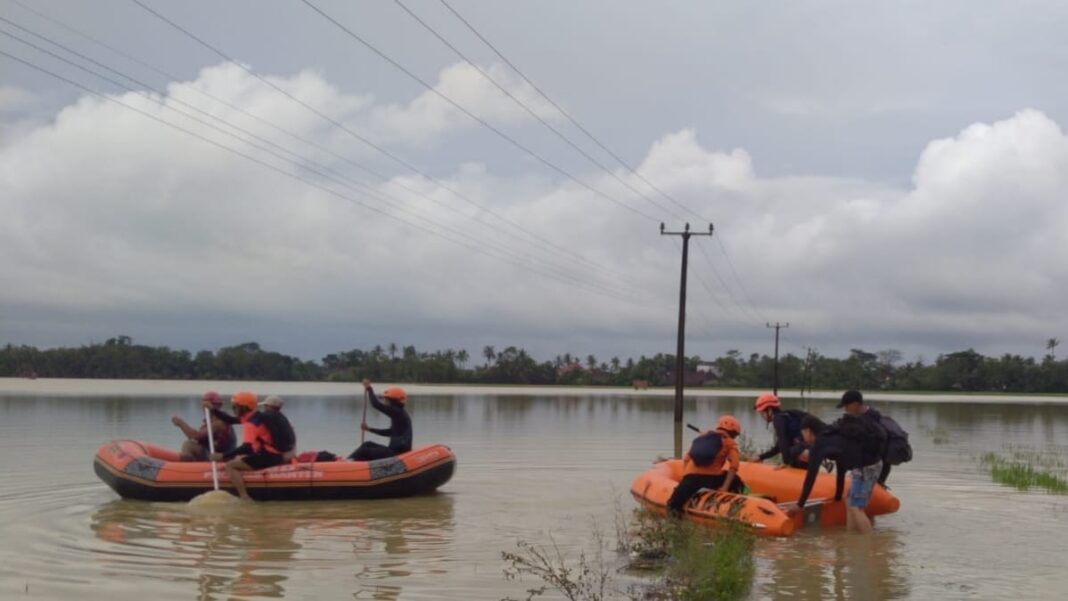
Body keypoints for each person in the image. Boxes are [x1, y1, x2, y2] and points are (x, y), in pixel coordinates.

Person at [794, 415, 872, 532]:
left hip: (865, 466)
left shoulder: (819, 445)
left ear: (808, 431)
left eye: (803, 434)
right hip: (869, 463)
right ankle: (852, 540)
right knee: (850, 502)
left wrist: (800, 504)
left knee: (855, 507)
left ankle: (868, 543)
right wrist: (838, 496)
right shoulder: (832, 435)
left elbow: (811, 477)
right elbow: (841, 466)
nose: (803, 437)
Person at [209, 391, 288, 501]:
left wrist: (223, 455)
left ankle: (244, 496)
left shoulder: (251, 424)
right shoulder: (254, 416)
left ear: (243, 408)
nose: (233, 409)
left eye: (235, 407)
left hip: (269, 457)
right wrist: (213, 410)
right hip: (272, 454)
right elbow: (230, 420)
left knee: (230, 465)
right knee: (238, 457)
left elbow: (247, 447)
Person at [666, 416, 745, 517]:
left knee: (673, 505)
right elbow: (734, 466)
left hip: (690, 478)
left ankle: (677, 526)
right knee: (736, 480)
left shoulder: (701, 438)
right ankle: (742, 499)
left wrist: (684, 480)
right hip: (711, 479)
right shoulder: (729, 442)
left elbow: (686, 459)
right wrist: (725, 487)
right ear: (733, 433)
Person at [838, 389, 890, 490]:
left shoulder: (872, 417)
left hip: (873, 463)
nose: (845, 409)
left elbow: (878, 446)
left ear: (855, 404)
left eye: (847, 406)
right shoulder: (853, 419)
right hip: (860, 464)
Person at [348, 379, 412, 461]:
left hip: (397, 454)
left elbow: (376, 405)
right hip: (393, 451)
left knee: (364, 451)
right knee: (367, 444)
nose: (385, 402)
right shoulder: (399, 414)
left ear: (393, 401)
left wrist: (369, 388)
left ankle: (346, 465)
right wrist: (369, 429)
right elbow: (389, 432)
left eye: (386, 400)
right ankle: (348, 463)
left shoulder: (397, 412)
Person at [746, 393, 812, 467]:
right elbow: (779, 447)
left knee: (791, 452)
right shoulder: (787, 416)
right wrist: (761, 457)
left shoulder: (778, 419)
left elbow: (782, 441)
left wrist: (786, 462)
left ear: (769, 411)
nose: (761, 416)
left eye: (762, 413)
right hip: (811, 450)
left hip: (804, 453)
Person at [171, 391, 235, 461]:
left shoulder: (220, 422)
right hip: (215, 454)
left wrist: (180, 423)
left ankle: (188, 468)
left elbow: (195, 436)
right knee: (191, 444)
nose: (204, 408)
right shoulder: (213, 419)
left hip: (221, 457)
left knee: (189, 445)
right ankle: (190, 465)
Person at [260, 395, 297, 462]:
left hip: (281, 451)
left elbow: (255, 417)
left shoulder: (269, 416)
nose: (264, 408)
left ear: (270, 406)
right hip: (290, 449)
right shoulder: (282, 417)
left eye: (265, 406)